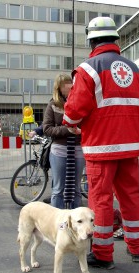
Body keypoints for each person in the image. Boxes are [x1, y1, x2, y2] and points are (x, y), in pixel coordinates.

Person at [62, 17, 139, 269]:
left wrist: (71, 121)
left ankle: (102, 253)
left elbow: (75, 110)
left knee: (100, 201)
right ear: (115, 39)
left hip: (101, 149)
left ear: (91, 40)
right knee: (131, 198)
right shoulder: (134, 70)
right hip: (129, 148)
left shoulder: (89, 68)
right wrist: (135, 136)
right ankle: (136, 248)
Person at [43, 73, 85, 209]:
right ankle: (58, 224)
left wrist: (80, 130)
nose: (70, 86)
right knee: (58, 189)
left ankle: (76, 223)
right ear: (59, 88)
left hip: (78, 149)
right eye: (66, 84)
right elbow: (47, 129)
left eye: (70, 82)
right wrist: (68, 130)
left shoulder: (79, 104)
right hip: (59, 151)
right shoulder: (53, 105)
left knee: (76, 189)